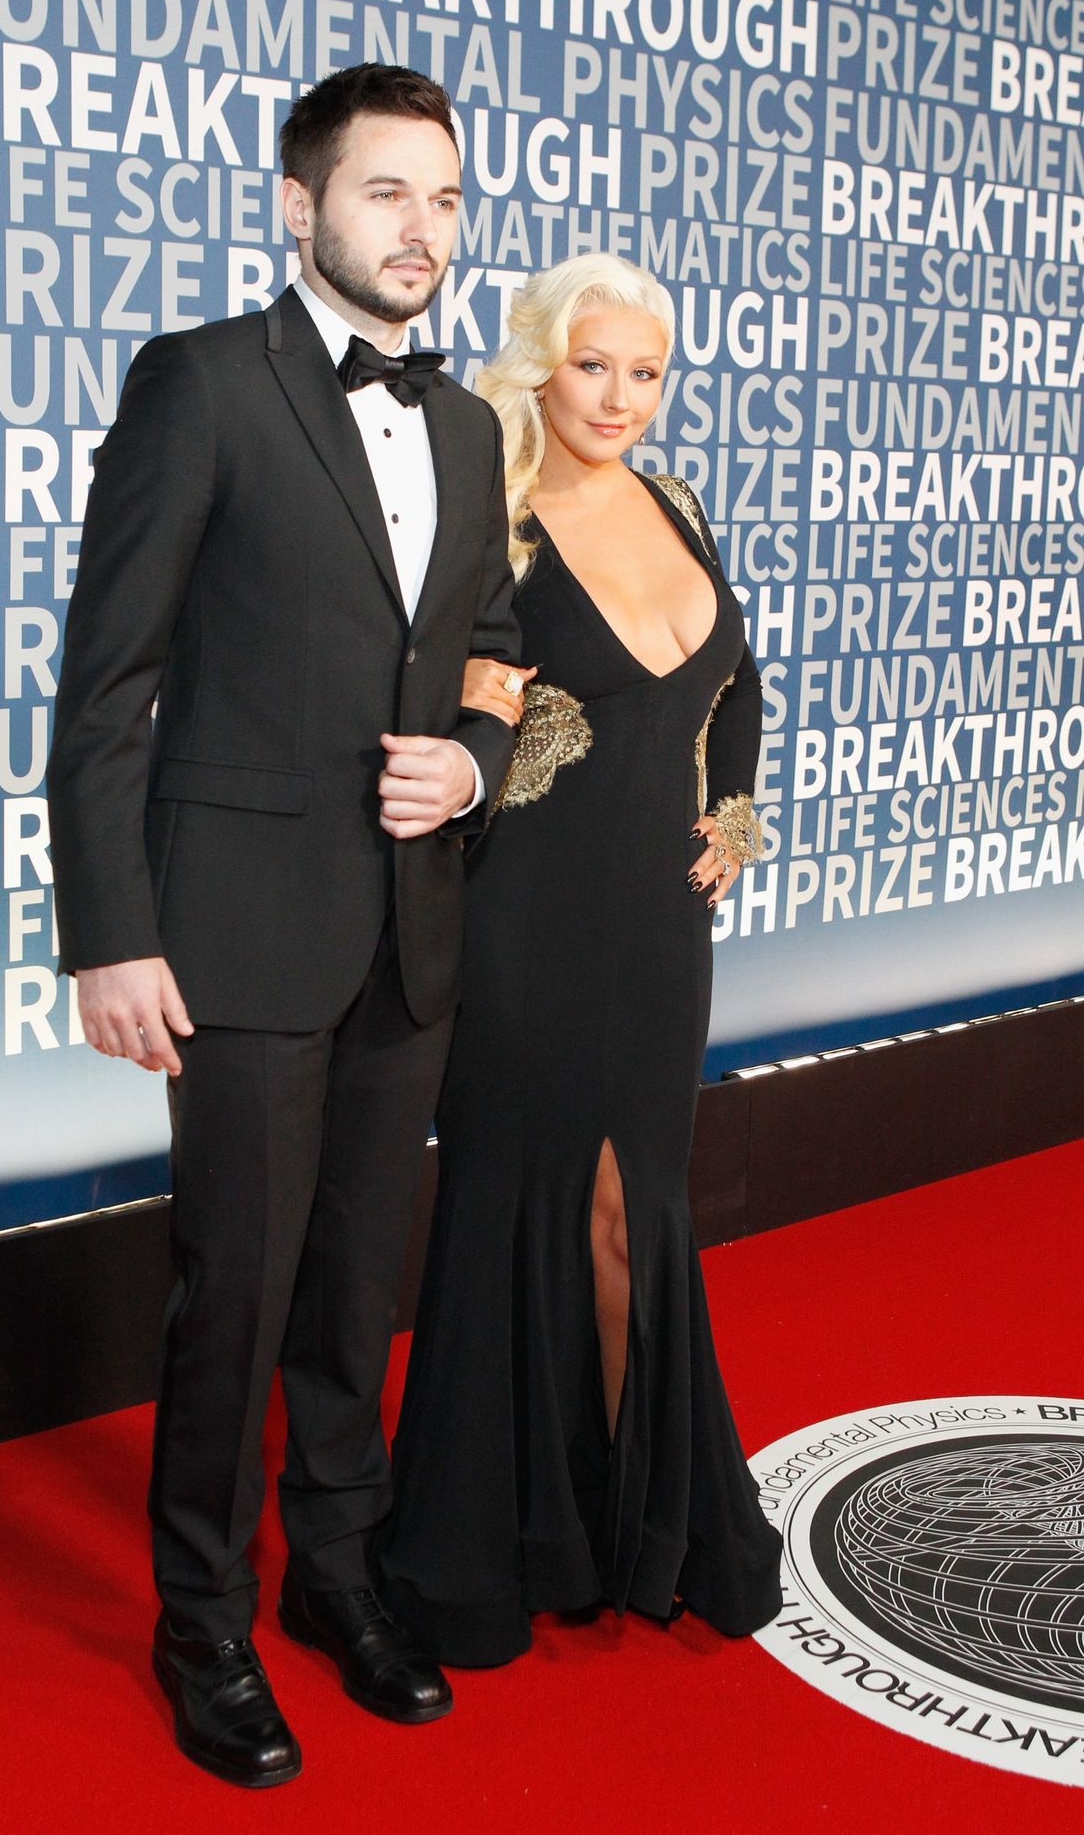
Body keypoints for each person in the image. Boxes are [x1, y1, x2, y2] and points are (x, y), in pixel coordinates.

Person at [46, 64, 522, 1788]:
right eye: (387, 192)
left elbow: (498, 661)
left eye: (448, 197)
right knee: (231, 1297)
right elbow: (107, 689)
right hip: (234, 932)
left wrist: (467, 771)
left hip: (410, 933)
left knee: (350, 1290)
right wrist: (110, 934)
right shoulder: (200, 384)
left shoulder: (470, 427)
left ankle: (336, 1573)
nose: (423, 228)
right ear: (297, 204)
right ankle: (203, 1622)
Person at [377, 252, 784, 1667]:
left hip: (662, 935)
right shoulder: (493, 512)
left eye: (647, 372)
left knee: (637, 1214)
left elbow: (735, 684)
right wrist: (498, 721)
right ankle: (505, 1532)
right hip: (527, 921)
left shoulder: (673, 505)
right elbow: (428, 697)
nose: (620, 398)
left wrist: (731, 814)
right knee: (540, 1206)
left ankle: (633, 1521)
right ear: (539, 362)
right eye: (593, 365)